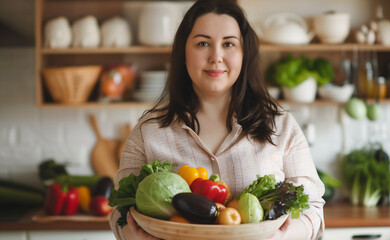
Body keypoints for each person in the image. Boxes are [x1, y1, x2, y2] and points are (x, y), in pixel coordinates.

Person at [109, 0, 325, 239]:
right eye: (203, 43)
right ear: (183, 52)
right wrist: (135, 236)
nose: (216, 56)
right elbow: (120, 211)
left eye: (229, 44)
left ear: (244, 54)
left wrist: (285, 237)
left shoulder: (281, 127)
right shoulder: (147, 132)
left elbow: (312, 207)